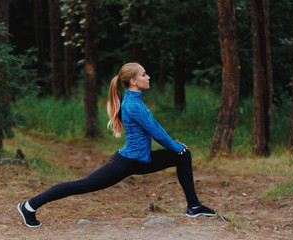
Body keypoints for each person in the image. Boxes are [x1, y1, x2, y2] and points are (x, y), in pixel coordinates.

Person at [17, 62, 216, 228]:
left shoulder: (133, 100)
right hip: (127, 162)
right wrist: (174, 145)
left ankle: (194, 207)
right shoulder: (133, 104)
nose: (148, 77)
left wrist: (176, 147)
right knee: (84, 185)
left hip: (141, 159)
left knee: (183, 155)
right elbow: (156, 132)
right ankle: (29, 206)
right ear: (133, 81)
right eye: (144, 75)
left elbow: (154, 127)